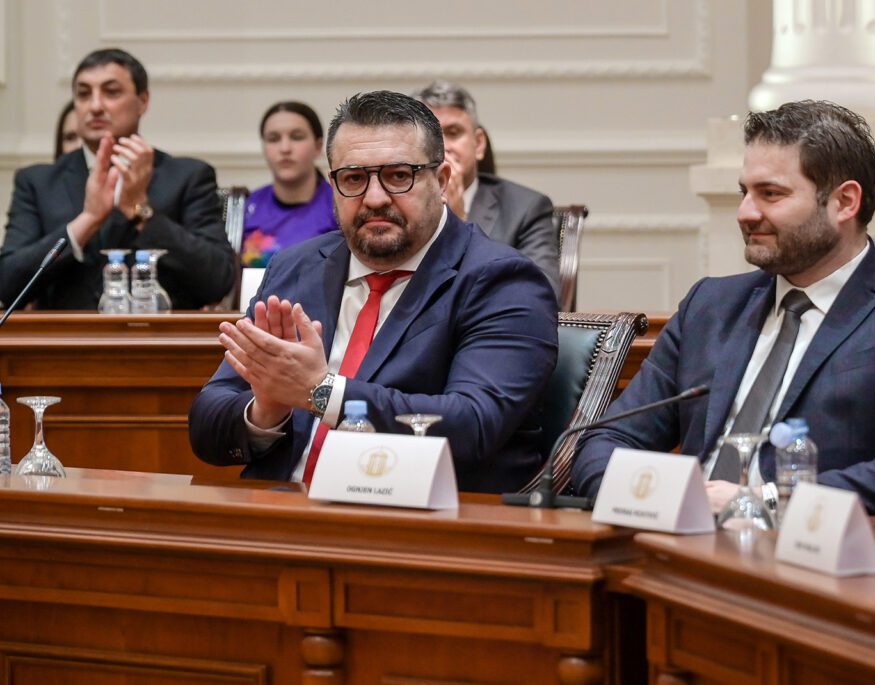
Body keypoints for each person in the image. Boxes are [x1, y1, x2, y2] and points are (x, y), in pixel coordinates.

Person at [571, 100, 875, 518]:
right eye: (745, 193)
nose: (745, 213)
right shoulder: (710, 306)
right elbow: (603, 443)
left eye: (770, 194)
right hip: (681, 540)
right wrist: (674, 498)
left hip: (814, 547)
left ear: (845, 202)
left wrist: (764, 502)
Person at [189, 90, 559, 494]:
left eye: (399, 176)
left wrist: (321, 391)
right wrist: (267, 409)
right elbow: (207, 423)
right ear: (333, 185)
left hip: (418, 518)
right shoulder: (296, 267)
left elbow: (472, 423)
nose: (375, 198)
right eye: (354, 179)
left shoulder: (502, 280)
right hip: (280, 510)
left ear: (441, 181)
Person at [0, 48, 234, 310]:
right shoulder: (38, 182)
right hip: (66, 333)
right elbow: (6, 283)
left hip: (160, 333)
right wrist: (87, 220)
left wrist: (141, 211)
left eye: (111, 92)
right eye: (84, 94)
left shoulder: (188, 176)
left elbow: (218, 280)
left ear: (142, 101)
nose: (95, 106)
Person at [412, 81, 559, 293]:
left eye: (453, 132)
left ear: (479, 143)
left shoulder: (526, 208)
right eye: (430, 135)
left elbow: (541, 293)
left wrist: (458, 229)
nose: (442, 147)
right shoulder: (391, 202)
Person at [241, 101, 337, 267]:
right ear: (264, 148)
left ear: (318, 146)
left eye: (297, 137)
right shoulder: (247, 207)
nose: (285, 148)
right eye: (273, 139)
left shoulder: (339, 208)